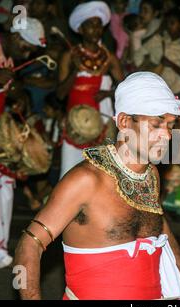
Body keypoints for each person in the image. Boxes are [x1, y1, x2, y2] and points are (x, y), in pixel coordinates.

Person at [14, 72, 180, 300]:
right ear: (124, 122)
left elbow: (157, 220)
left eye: (170, 125)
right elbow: (29, 244)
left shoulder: (151, 174)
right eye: (156, 124)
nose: (167, 136)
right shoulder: (86, 181)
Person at [0, 17, 46, 269]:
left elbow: (3, 88)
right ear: (14, 37)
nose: (27, 53)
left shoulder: (9, 60)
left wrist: (15, 98)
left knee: (5, 189)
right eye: (26, 46)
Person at [57, 1, 124, 178]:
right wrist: (75, 72)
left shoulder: (108, 57)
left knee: (98, 175)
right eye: (90, 26)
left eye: (99, 26)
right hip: (75, 124)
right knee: (69, 173)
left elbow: (124, 88)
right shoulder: (69, 56)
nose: (96, 30)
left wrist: (107, 93)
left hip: (101, 124)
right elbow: (60, 94)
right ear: (80, 30)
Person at [159, 8, 180, 102]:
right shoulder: (162, 38)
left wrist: (171, 64)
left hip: (178, 89)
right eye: (167, 23)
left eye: (172, 23)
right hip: (162, 89)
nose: (169, 26)